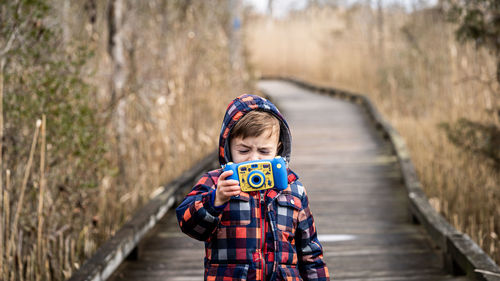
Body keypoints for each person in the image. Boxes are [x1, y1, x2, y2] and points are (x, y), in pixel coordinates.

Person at [176, 94, 330, 281]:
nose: (253, 159)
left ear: (278, 149)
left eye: (264, 151)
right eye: (243, 150)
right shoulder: (217, 183)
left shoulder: (293, 188)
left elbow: (310, 252)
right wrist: (215, 200)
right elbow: (188, 224)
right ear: (228, 146)